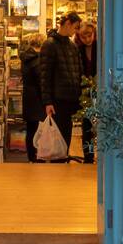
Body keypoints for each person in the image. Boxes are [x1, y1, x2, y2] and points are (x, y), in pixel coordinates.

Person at [39, 12, 83, 162]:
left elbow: (79, 72)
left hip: (71, 99)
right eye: (75, 27)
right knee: (57, 135)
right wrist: (47, 101)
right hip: (57, 99)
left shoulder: (72, 46)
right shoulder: (49, 44)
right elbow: (45, 76)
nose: (76, 32)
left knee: (66, 132)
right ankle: (58, 163)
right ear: (68, 23)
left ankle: (63, 161)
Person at [18, 32, 45, 162]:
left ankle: (31, 156)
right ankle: (36, 156)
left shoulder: (26, 58)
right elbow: (41, 81)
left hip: (28, 98)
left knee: (31, 129)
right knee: (38, 130)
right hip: (37, 100)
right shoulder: (36, 60)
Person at [76, 21, 98, 163]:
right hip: (84, 92)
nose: (87, 39)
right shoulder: (78, 49)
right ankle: (88, 156)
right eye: (84, 37)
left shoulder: (101, 46)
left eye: (89, 35)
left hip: (100, 88)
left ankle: (101, 156)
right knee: (87, 128)